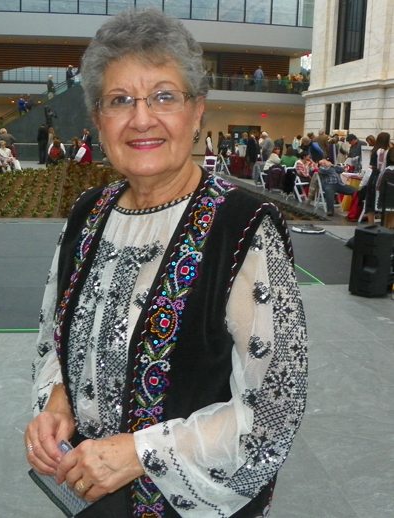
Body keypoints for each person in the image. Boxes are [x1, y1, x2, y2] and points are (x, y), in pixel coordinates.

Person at [24, 9, 307, 518]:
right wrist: (58, 400)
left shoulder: (243, 227)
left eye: (163, 96)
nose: (141, 118)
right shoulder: (89, 213)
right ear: (98, 119)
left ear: (197, 111)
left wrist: (138, 453)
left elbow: (275, 408)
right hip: (93, 493)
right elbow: (55, 333)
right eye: (119, 101)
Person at [362, 132, 390, 226]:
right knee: (385, 200)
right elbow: (384, 166)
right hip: (383, 177)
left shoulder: (374, 150)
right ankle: (386, 225)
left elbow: (372, 166)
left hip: (373, 176)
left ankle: (371, 223)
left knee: (371, 199)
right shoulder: (386, 151)